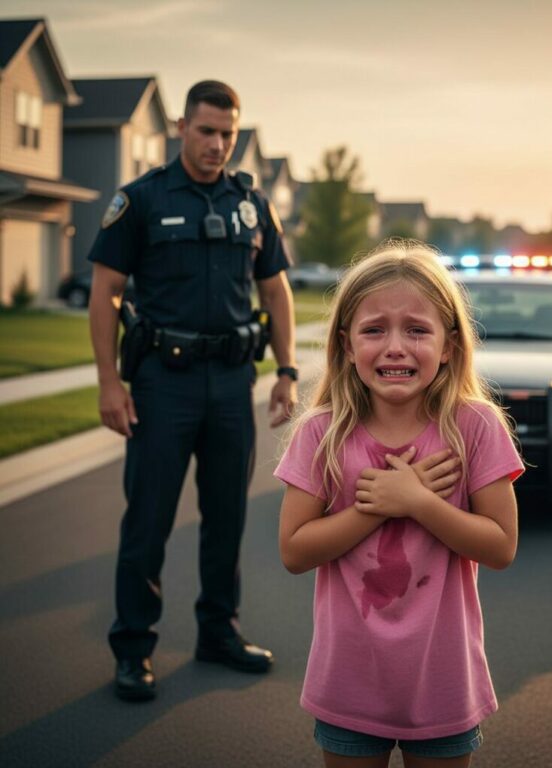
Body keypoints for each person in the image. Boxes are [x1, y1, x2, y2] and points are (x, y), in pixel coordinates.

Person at [275, 240, 524, 767]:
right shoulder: (321, 433)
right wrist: (378, 506)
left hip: (443, 681)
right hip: (348, 683)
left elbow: (500, 548)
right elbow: (295, 551)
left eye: (416, 329)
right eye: (374, 330)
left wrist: (418, 501)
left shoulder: (475, 428)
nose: (395, 347)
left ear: (450, 345)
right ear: (345, 345)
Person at [88, 80, 297, 701]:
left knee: (226, 518)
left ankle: (218, 632)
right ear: (181, 127)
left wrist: (286, 371)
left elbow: (276, 290)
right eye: (206, 131)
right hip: (162, 384)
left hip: (233, 383)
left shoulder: (250, 203)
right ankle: (133, 649)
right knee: (148, 521)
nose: (217, 145)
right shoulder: (142, 200)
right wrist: (109, 382)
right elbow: (106, 293)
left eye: (228, 134)